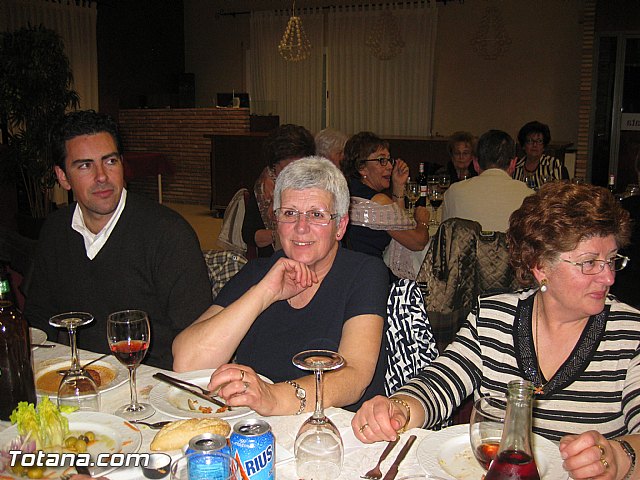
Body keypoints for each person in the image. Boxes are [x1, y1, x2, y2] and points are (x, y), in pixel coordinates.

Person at [352, 182, 640, 480]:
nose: (608, 277)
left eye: (612, 260)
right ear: (540, 266)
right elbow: (440, 382)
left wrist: (619, 456)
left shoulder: (630, 333)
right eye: (590, 263)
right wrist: (399, 408)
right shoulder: (493, 315)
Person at [173, 156, 389, 415]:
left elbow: (354, 375)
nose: (300, 227)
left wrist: (274, 397)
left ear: (340, 226)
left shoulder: (364, 272)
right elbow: (187, 362)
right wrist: (265, 293)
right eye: (289, 213)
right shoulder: (259, 272)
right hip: (257, 430)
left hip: (331, 433)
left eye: (317, 215)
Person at [24, 110, 212, 370]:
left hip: (149, 384)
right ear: (63, 177)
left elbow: (199, 337)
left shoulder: (168, 234)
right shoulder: (56, 230)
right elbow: (38, 318)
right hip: (75, 377)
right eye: (85, 165)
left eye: (110, 161)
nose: (101, 176)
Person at [341, 131, 430, 280]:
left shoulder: (348, 191)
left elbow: (399, 224)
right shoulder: (378, 201)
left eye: (389, 160)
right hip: (371, 277)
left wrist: (398, 186)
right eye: (382, 160)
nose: (389, 166)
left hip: (350, 273)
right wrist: (422, 221)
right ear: (361, 167)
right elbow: (417, 242)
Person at [242, 124, 315, 258]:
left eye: (298, 168)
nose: (292, 175)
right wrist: (280, 234)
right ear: (274, 166)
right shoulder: (264, 189)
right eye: (285, 169)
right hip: (272, 260)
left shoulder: (317, 187)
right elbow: (249, 235)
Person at [441, 129, 533, 232]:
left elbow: (446, 237)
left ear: (475, 163)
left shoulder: (454, 192)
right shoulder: (530, 197)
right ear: (513, 164)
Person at [513, 120, 569, 190]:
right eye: (530, 141)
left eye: (539, 141)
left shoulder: (553, 164)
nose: (534, 145)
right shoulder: (516, 166)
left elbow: (561, 192)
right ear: (523, 145)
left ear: (544, 146)